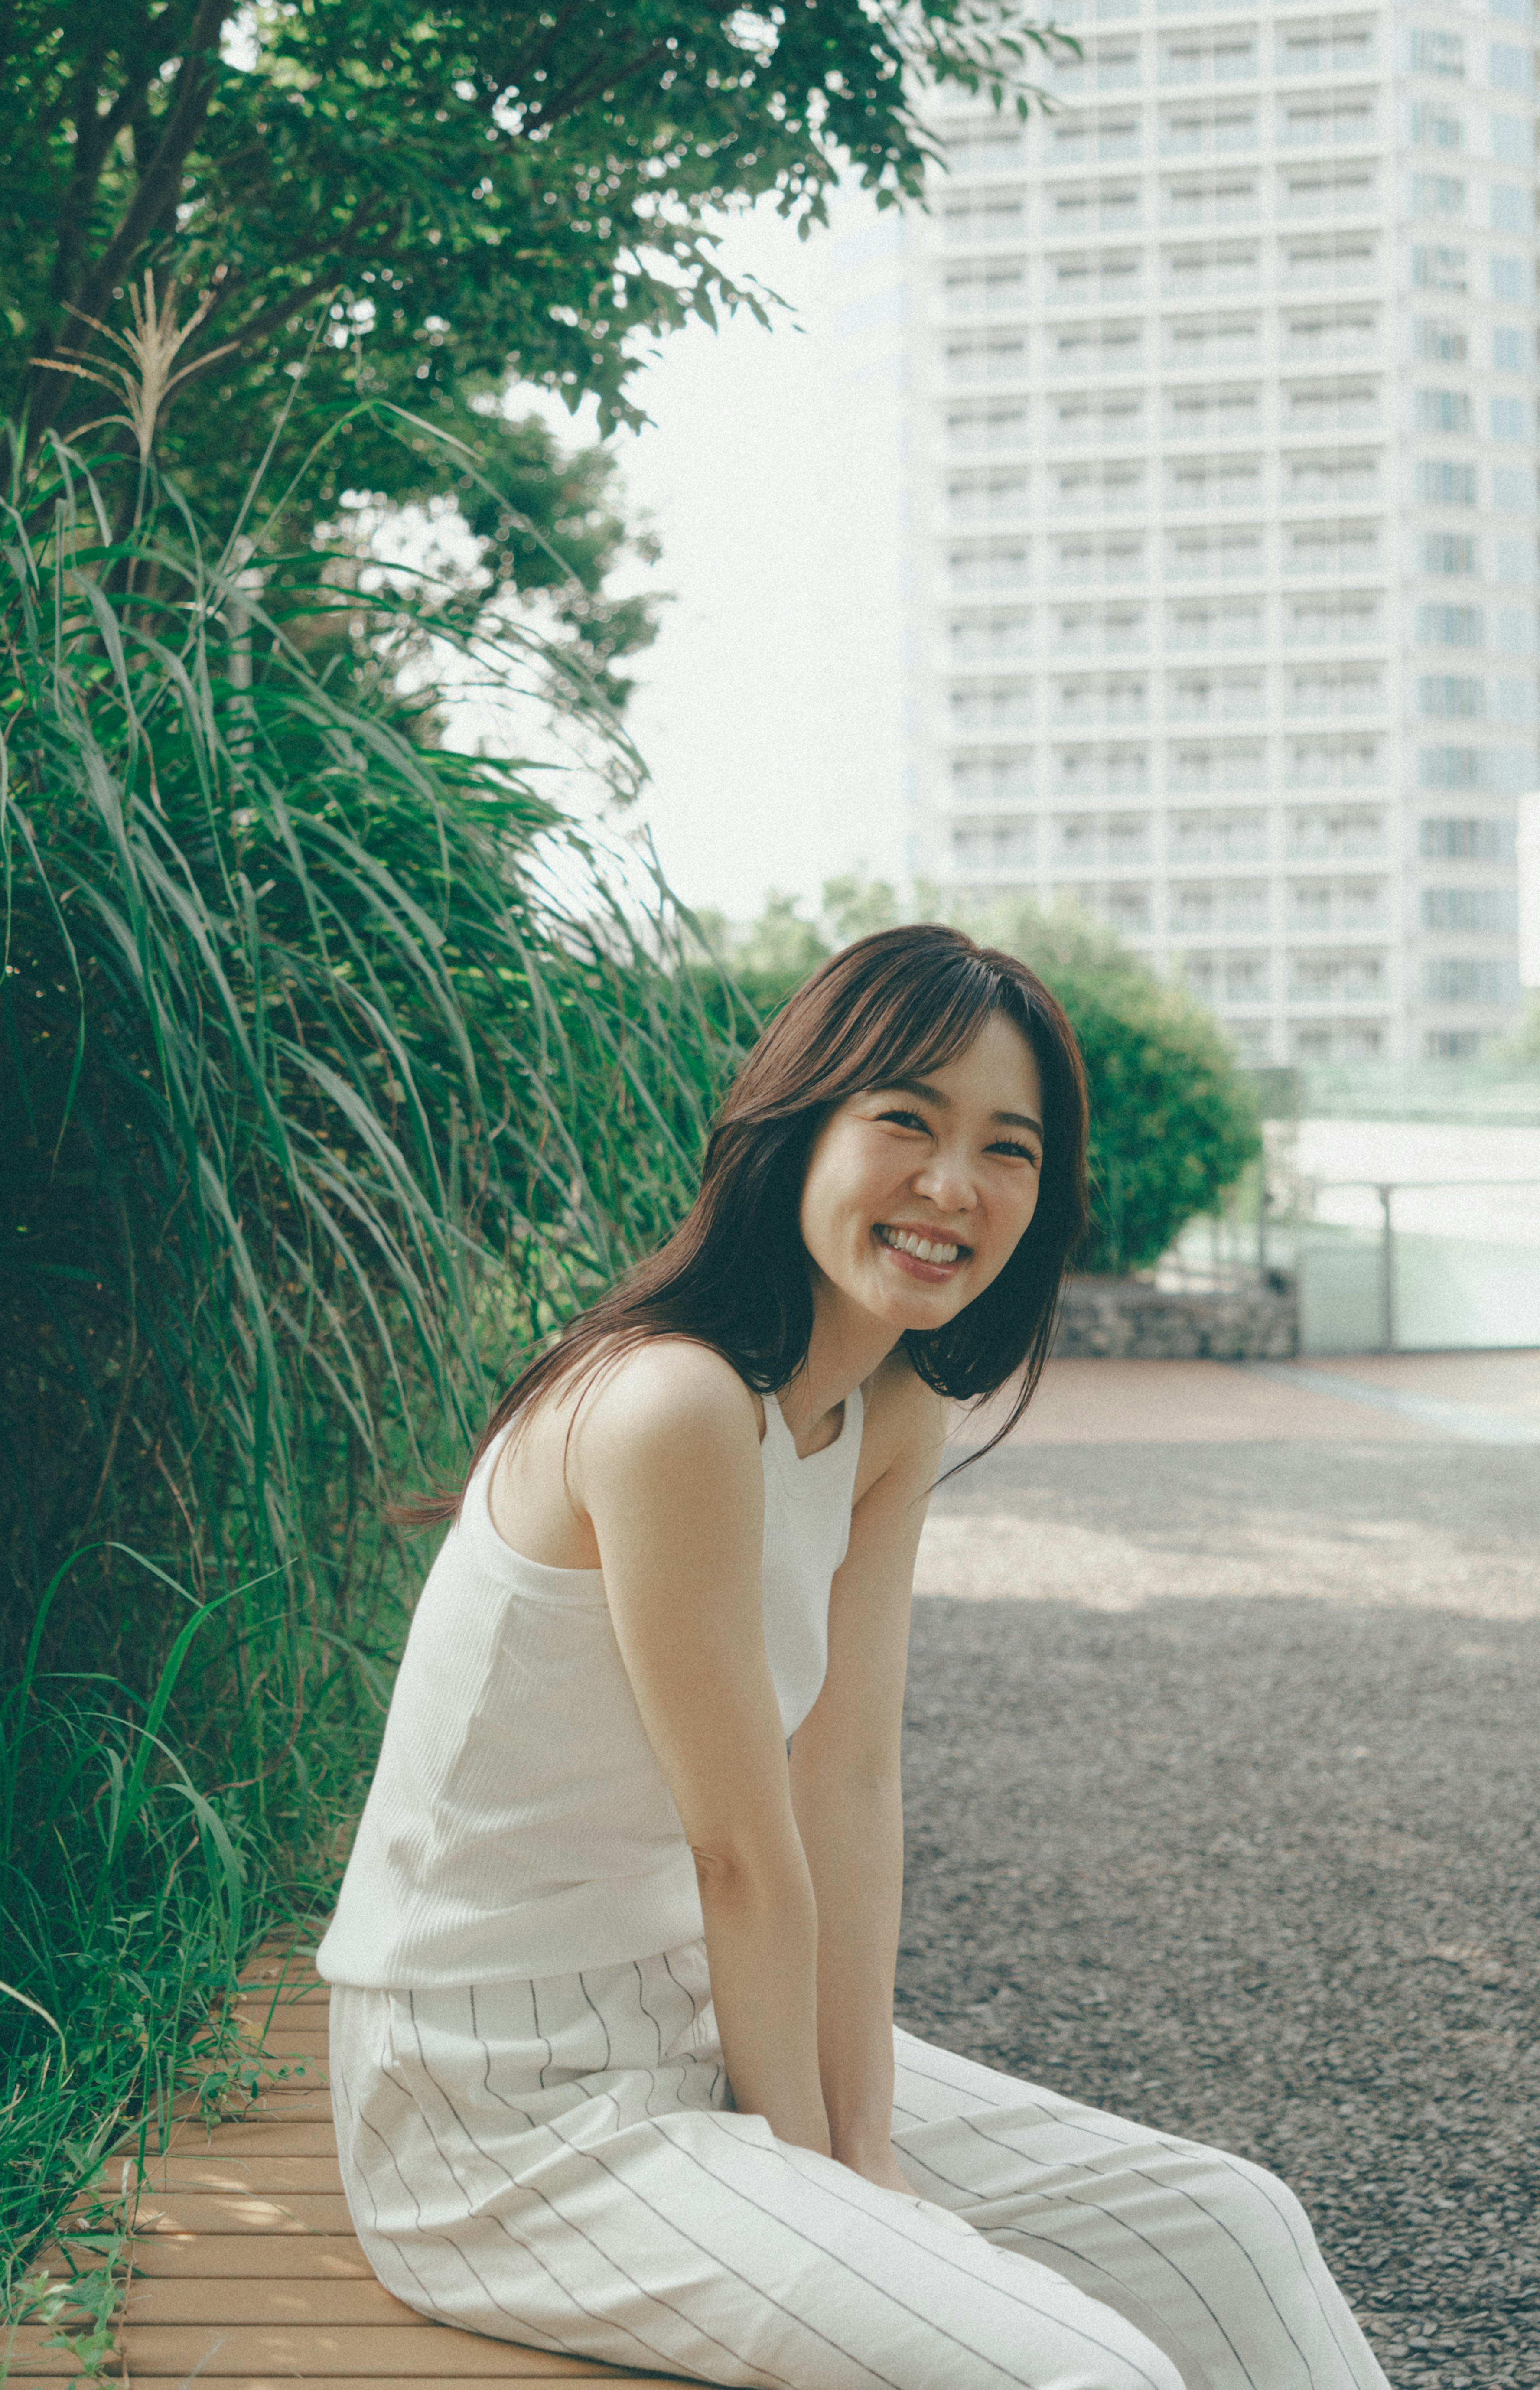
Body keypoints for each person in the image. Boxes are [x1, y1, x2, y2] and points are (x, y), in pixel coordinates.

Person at [318, 925, 1390, 2390]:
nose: (955, 1186)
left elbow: (850, 1782)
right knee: (1083, 2375)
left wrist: (866, 2138)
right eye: (906, 1120)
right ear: (798, 1125)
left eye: (1008, 1149)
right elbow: (741, 1851)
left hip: (690, 2013)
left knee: (1233, 2228)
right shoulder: (669, 1407)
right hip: (495, 2107)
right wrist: (831, 2180)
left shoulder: (888, 1411)